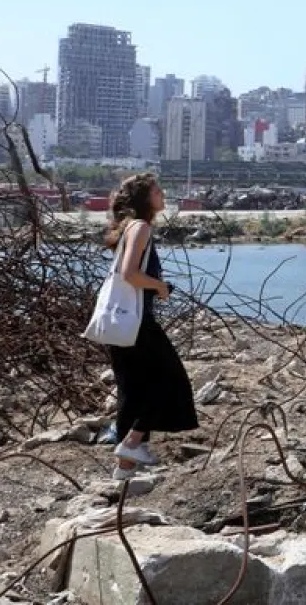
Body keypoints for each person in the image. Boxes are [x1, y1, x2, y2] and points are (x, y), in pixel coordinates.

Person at [102, 173, 198, 480]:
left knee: (133, 390)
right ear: (146, 198)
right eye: (158, 190)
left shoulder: (129, 227)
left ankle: (124, 470)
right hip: (138, 323)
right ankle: (131, 442)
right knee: (173, 382)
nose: (163, 194)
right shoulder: (141, 227)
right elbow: (130, 273)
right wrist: (160, 286)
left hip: (122, 322)